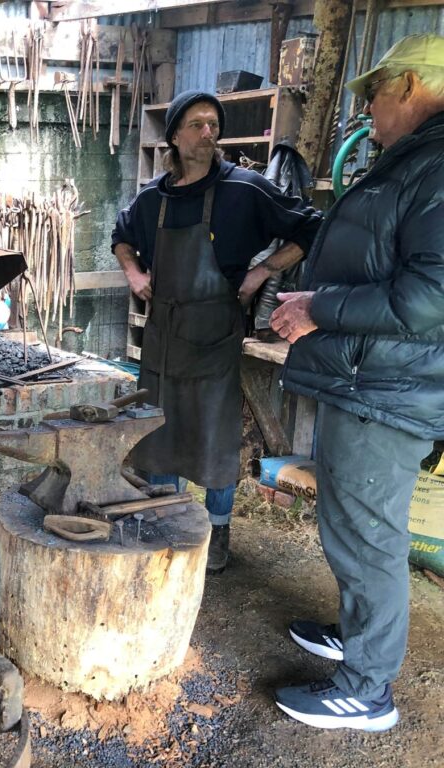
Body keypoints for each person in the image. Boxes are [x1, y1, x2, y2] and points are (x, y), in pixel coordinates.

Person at [270, 33, 444, 731]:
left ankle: (367, 690)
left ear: (407, 85)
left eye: (373, 93)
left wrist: (318, 308)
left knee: (367, 535)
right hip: (373, 380)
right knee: (350, 524)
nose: (367, 107)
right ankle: (361, 633)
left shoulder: (437, 165)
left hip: (389, 391)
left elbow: (429, 296)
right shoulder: (414, 160)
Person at [112, 90, 322, 573]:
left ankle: (217, 528)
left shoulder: (244, 189)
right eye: (197, 124)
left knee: (214, 436)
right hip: (162, 337)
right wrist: (134, 274)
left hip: (214, 336)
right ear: (174, 136)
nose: (208, 133)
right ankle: (166, 521)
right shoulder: (152, 198)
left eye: (214, 125)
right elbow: (120, 237)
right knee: (161, 430)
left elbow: (311, 226)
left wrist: (264, 270)